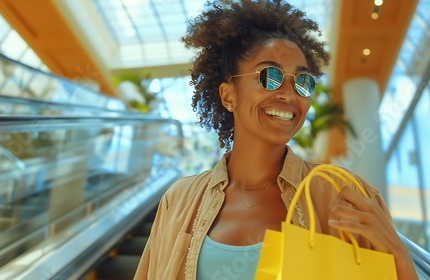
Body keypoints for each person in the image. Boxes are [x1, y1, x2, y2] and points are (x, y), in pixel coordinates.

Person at [134, 0, 418, 279]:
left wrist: (399, 255)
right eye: (270, 76)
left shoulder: (343, 196)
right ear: (228, 95)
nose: (288, 93)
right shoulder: (180, 199)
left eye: (303, 82)